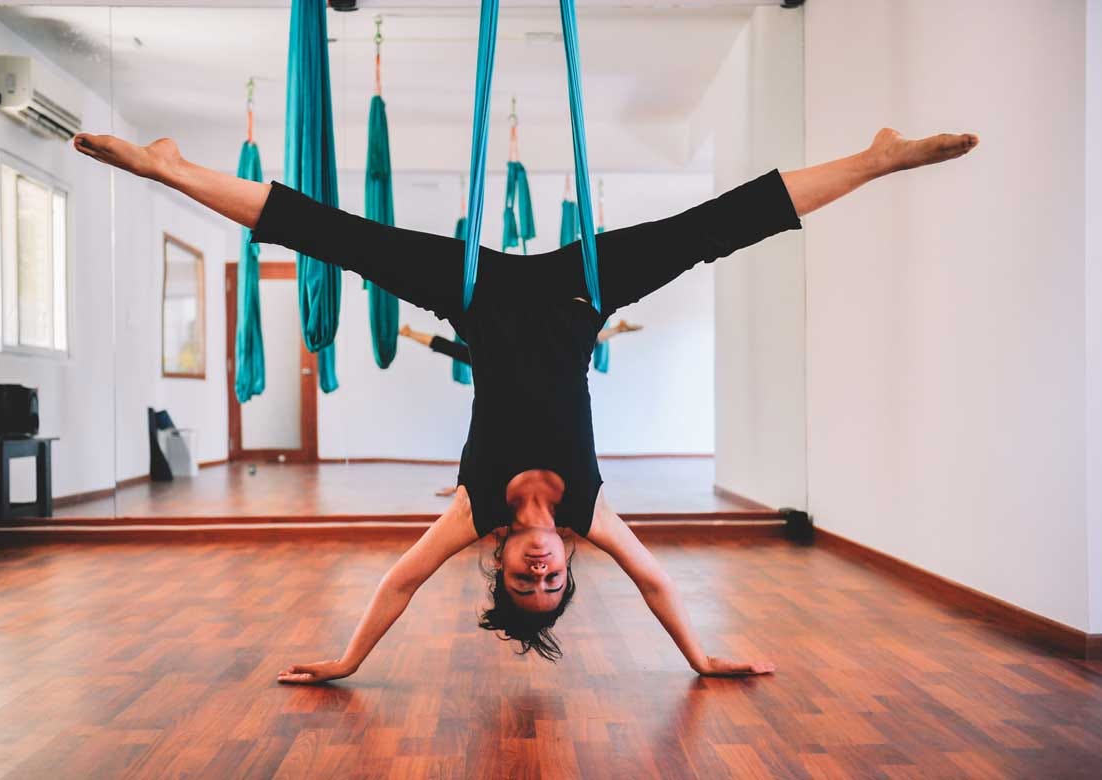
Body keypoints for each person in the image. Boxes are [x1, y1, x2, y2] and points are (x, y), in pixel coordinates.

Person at [73, 126, 978, 681]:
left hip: (475, 294)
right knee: (716, 228)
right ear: (564, 566)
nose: (541, 567)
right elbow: (660, 583)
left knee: (334, 236)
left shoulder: (472, 511)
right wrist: (701, 658)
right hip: (583, 292)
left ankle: (170, 169)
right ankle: (878, 159)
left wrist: (349, 660)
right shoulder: (587, 512)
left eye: (522, 578)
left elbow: (397, 583)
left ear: (501, 561)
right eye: (553, 581)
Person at [399, 320, 644, 498]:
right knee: (492, 452)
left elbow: (590, 339)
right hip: (510, 420)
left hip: (535, 419)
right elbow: (443, 346)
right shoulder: (491, 357)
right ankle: (465, 488)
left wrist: (617, 330)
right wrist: (410, 334)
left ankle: (470, 488)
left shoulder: (541, 355)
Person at [398, 319, 642, 368]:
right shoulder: (486, 357)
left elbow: (442, 345)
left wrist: (411, 334)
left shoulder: (487, 357)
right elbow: (442, 345)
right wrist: (411, 334)